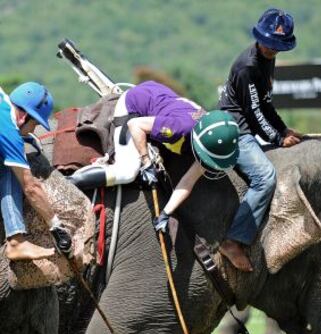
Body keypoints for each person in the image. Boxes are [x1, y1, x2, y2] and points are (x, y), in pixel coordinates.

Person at [71, 81, 240, 229]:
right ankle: (71, 183)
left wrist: (166, 213)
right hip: (135, 106)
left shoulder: (208, 133)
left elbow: (188, 182)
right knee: (127, 171)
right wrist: (146, 162)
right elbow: (135, 124)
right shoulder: (178, 128)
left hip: (158, 96)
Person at [218, 8, 303, 271]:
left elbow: (266, 104)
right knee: (265, 177)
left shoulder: (267, 59)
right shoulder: (248, 66)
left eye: (278, 45)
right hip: (237, 129)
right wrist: (278, 138)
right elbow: (254, 113)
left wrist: (284, 129)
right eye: (269, 42)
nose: (272, 48)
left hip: (250, 123)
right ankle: (233, 241)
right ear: (259, 37)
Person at [0, 82, 72, 260]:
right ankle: (16, 242)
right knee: (11, 169)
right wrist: (56, 225)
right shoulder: (8, 132)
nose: (34, 129)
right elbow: (31, 187)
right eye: (35, 123)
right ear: (23, 116)